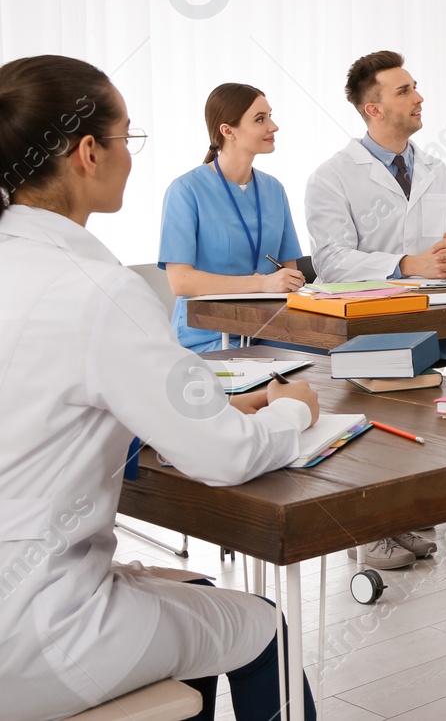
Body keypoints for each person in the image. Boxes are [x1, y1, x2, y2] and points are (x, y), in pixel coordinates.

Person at [0, 55, 321, 721]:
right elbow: (226, 457)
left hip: (23, 604)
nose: (130, 156)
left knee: (197, 594)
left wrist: (210, 405)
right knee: (263, 625)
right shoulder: (99, 290)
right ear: (88, 152)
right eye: (126, 138)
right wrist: (289, 413)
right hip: (38, 633)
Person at [305, 50, 446, 568]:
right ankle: (387, 511)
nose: (418, 98)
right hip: (376, 322)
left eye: (415, 87)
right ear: (373, 109)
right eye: (404, 91)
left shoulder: (436, 169)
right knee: (392, 374)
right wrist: (407, 264)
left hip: (439, 316)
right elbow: (329, 260)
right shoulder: (332, 176)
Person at [159, 83, 306, 352]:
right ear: (228, 131)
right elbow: (181, 282)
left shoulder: (274, 189)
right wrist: (263, 283)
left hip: (267, 330)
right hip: (206, 335)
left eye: (270, 116)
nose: (273, 126)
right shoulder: (186, 190)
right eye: (260, 119)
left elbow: (290, 271)